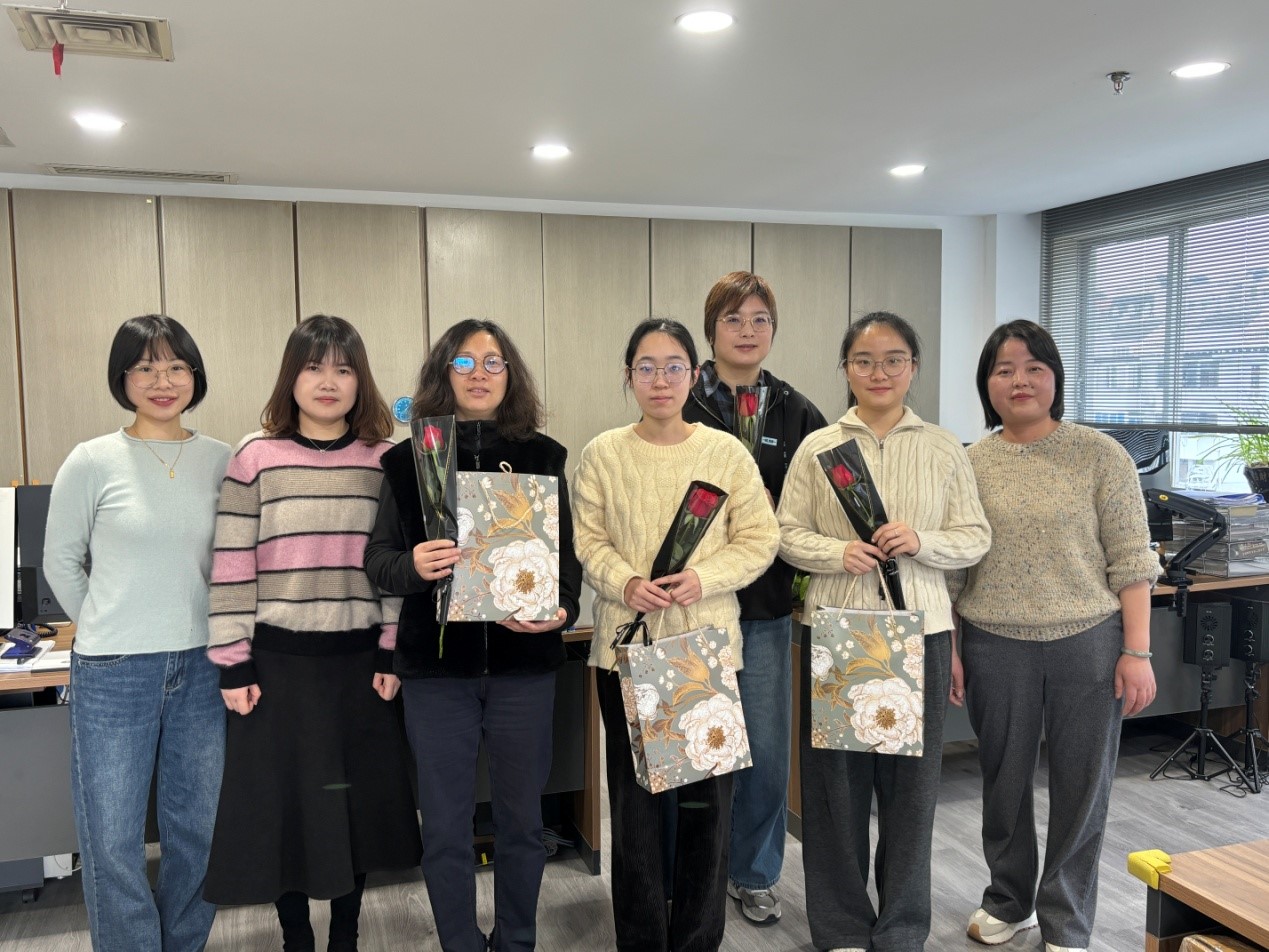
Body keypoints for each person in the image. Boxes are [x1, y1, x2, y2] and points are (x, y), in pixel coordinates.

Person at [203, 315, 420, 952]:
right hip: (277, 666)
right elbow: (232, 565)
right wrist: (233, 662)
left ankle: (346, 935)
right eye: (314, 367)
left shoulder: (384, 460)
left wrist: (391, 651)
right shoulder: (255, 456)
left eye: (343, 369)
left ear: (360, 380)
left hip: (360, 665)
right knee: (285, 812)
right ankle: (295, 936)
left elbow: (394, 568)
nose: (329, 382)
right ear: (291, 378)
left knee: (353, 809)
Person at [363, 318, 582, 952]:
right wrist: (413, 565)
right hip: (437, 676)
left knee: (522, 824)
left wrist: (562, 608)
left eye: (492, 362)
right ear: (444, 373)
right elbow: (377, 560)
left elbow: (566, 563)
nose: (479, 374)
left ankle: (516, 942)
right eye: (464, 362)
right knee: (445, 828)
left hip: (524, 669)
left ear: (511, 375)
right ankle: (458, 942)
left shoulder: (543, 457)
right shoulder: (408, 459)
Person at [777, 311, 990, 952]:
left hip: (920, 632)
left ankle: (901, 926)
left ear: (913, 367)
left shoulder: (944, 447)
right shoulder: (818, 447)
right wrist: (836, 553)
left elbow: (975, 536)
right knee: (834, 790)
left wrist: (921, 541)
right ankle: (841, 925)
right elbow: (784, 533)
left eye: (894, 359)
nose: (879, 372)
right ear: (846, 369)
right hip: (839, 632)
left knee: (911, 793)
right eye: (864, 361)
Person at [572, 317, 780, 952]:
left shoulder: (726, 452)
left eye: (673, 367)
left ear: (694, 375)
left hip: (704, 653)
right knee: (634, 807)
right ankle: (640, 939)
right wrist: (625, 582)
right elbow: (587, 540)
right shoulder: (603, 453)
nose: (660, 380)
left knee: (706, 810)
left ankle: (696, 939)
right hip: (626, 651)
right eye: (646, 367)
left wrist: (704, 579)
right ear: (628, 376)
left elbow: (760, 538)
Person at [953, 320, 1158, 952]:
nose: (1019, 381)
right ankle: (1009, 900)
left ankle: (1066, 920)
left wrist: (1137, 651)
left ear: (1055, 379)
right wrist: (954, 650)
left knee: (1082, 785)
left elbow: (1131, 559)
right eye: (1004, 370)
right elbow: (953, 569)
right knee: (1003, 781)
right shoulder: (967, 463)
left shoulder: (1100, 455)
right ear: (986, 384)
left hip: (1088, 641)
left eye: (1034, 368)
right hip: (992, 641)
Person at [44, 315, 230, 952]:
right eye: (145, 367)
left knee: (199, 829)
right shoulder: (92, 460)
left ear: (194, 376)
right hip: (114, 670)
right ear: (122, 378)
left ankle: (183, 943)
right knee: (113, 836)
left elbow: (234, 562)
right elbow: (60, 561)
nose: (162, 380)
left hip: (204, 666)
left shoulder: (222, 460)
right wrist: (103, 622)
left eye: (176, 366)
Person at [681, 270, 826, 925]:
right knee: (697, 750)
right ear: (711, 330)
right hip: (691, 606)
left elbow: (823, 506)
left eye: (759, 319)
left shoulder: (797, 411)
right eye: (733, 319)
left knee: (765, 756)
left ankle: (754, 871)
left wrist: (777, 511)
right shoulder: (681, 402)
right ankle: (693, 873)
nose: (747, 331)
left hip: (765, 609)